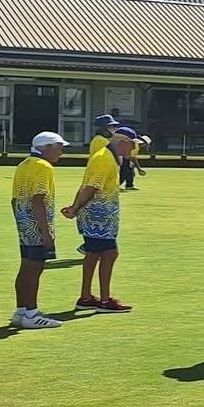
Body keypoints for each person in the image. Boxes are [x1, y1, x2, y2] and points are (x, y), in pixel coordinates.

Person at [63, 125, 139, 312]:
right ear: (123, 143)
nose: (135, 149)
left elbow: (86, 185)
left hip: (99, 213)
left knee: (93, 254)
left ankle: (86, 297)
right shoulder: (104, 158)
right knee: (109, 253)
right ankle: (105, 300)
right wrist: (75, 208)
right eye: (133, 145)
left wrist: (76, 207)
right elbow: (91, 187)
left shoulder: (108, 157)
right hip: (98, 215)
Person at [10, 132, 68, 329]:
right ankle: (32, 313)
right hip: (37, 225)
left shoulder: (23, 165)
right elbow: (38, 199)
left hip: (24, 223)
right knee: (35, 269)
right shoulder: (43, 167)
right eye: (59, 147)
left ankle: (21, 311)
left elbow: (15, 200)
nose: (61, 151)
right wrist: (46, 232)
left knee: (25, 267)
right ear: (47, 148)